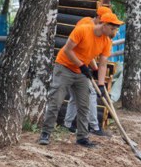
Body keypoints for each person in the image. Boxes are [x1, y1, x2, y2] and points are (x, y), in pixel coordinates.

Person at [39, 9, 122, 148]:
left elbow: (102, 64)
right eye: (112, 28)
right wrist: (81, 65)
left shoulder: (106, 42)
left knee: (84, 105)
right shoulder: (83, 30)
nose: (114, 32)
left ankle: (82, 138)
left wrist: (101, 84)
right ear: (104, 25)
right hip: (64, 67)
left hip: (80, 73)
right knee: (56, 101)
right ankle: (45, 133)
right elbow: (67, 50)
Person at [64, 7, 113, 137]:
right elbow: (79, 50)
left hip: (80, 65)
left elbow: (88, 53)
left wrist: (95, 69)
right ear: (99, 19)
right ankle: (94, 127)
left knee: (75, 97)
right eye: (105, 22)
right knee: (91, 94)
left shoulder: (92, 27)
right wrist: (86, 67)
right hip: (74, 65)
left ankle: (68, 124)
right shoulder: (86, 25)